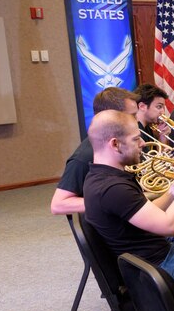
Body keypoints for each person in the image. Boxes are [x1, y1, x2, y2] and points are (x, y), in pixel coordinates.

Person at [81, 110, 174, 289]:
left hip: (158, 255)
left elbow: (146, 211)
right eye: (136, 139)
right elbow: (171, 227)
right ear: (115, 144)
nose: (143, 143)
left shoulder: (104, 176)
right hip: (157, 270)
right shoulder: (112, 189)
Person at [50, 87, 139, 216]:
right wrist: (113, 202)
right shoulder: (83, 157)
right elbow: (58, 205)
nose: (137, 121)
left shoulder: (126, 141)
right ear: (111, 116)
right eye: (132, 116)